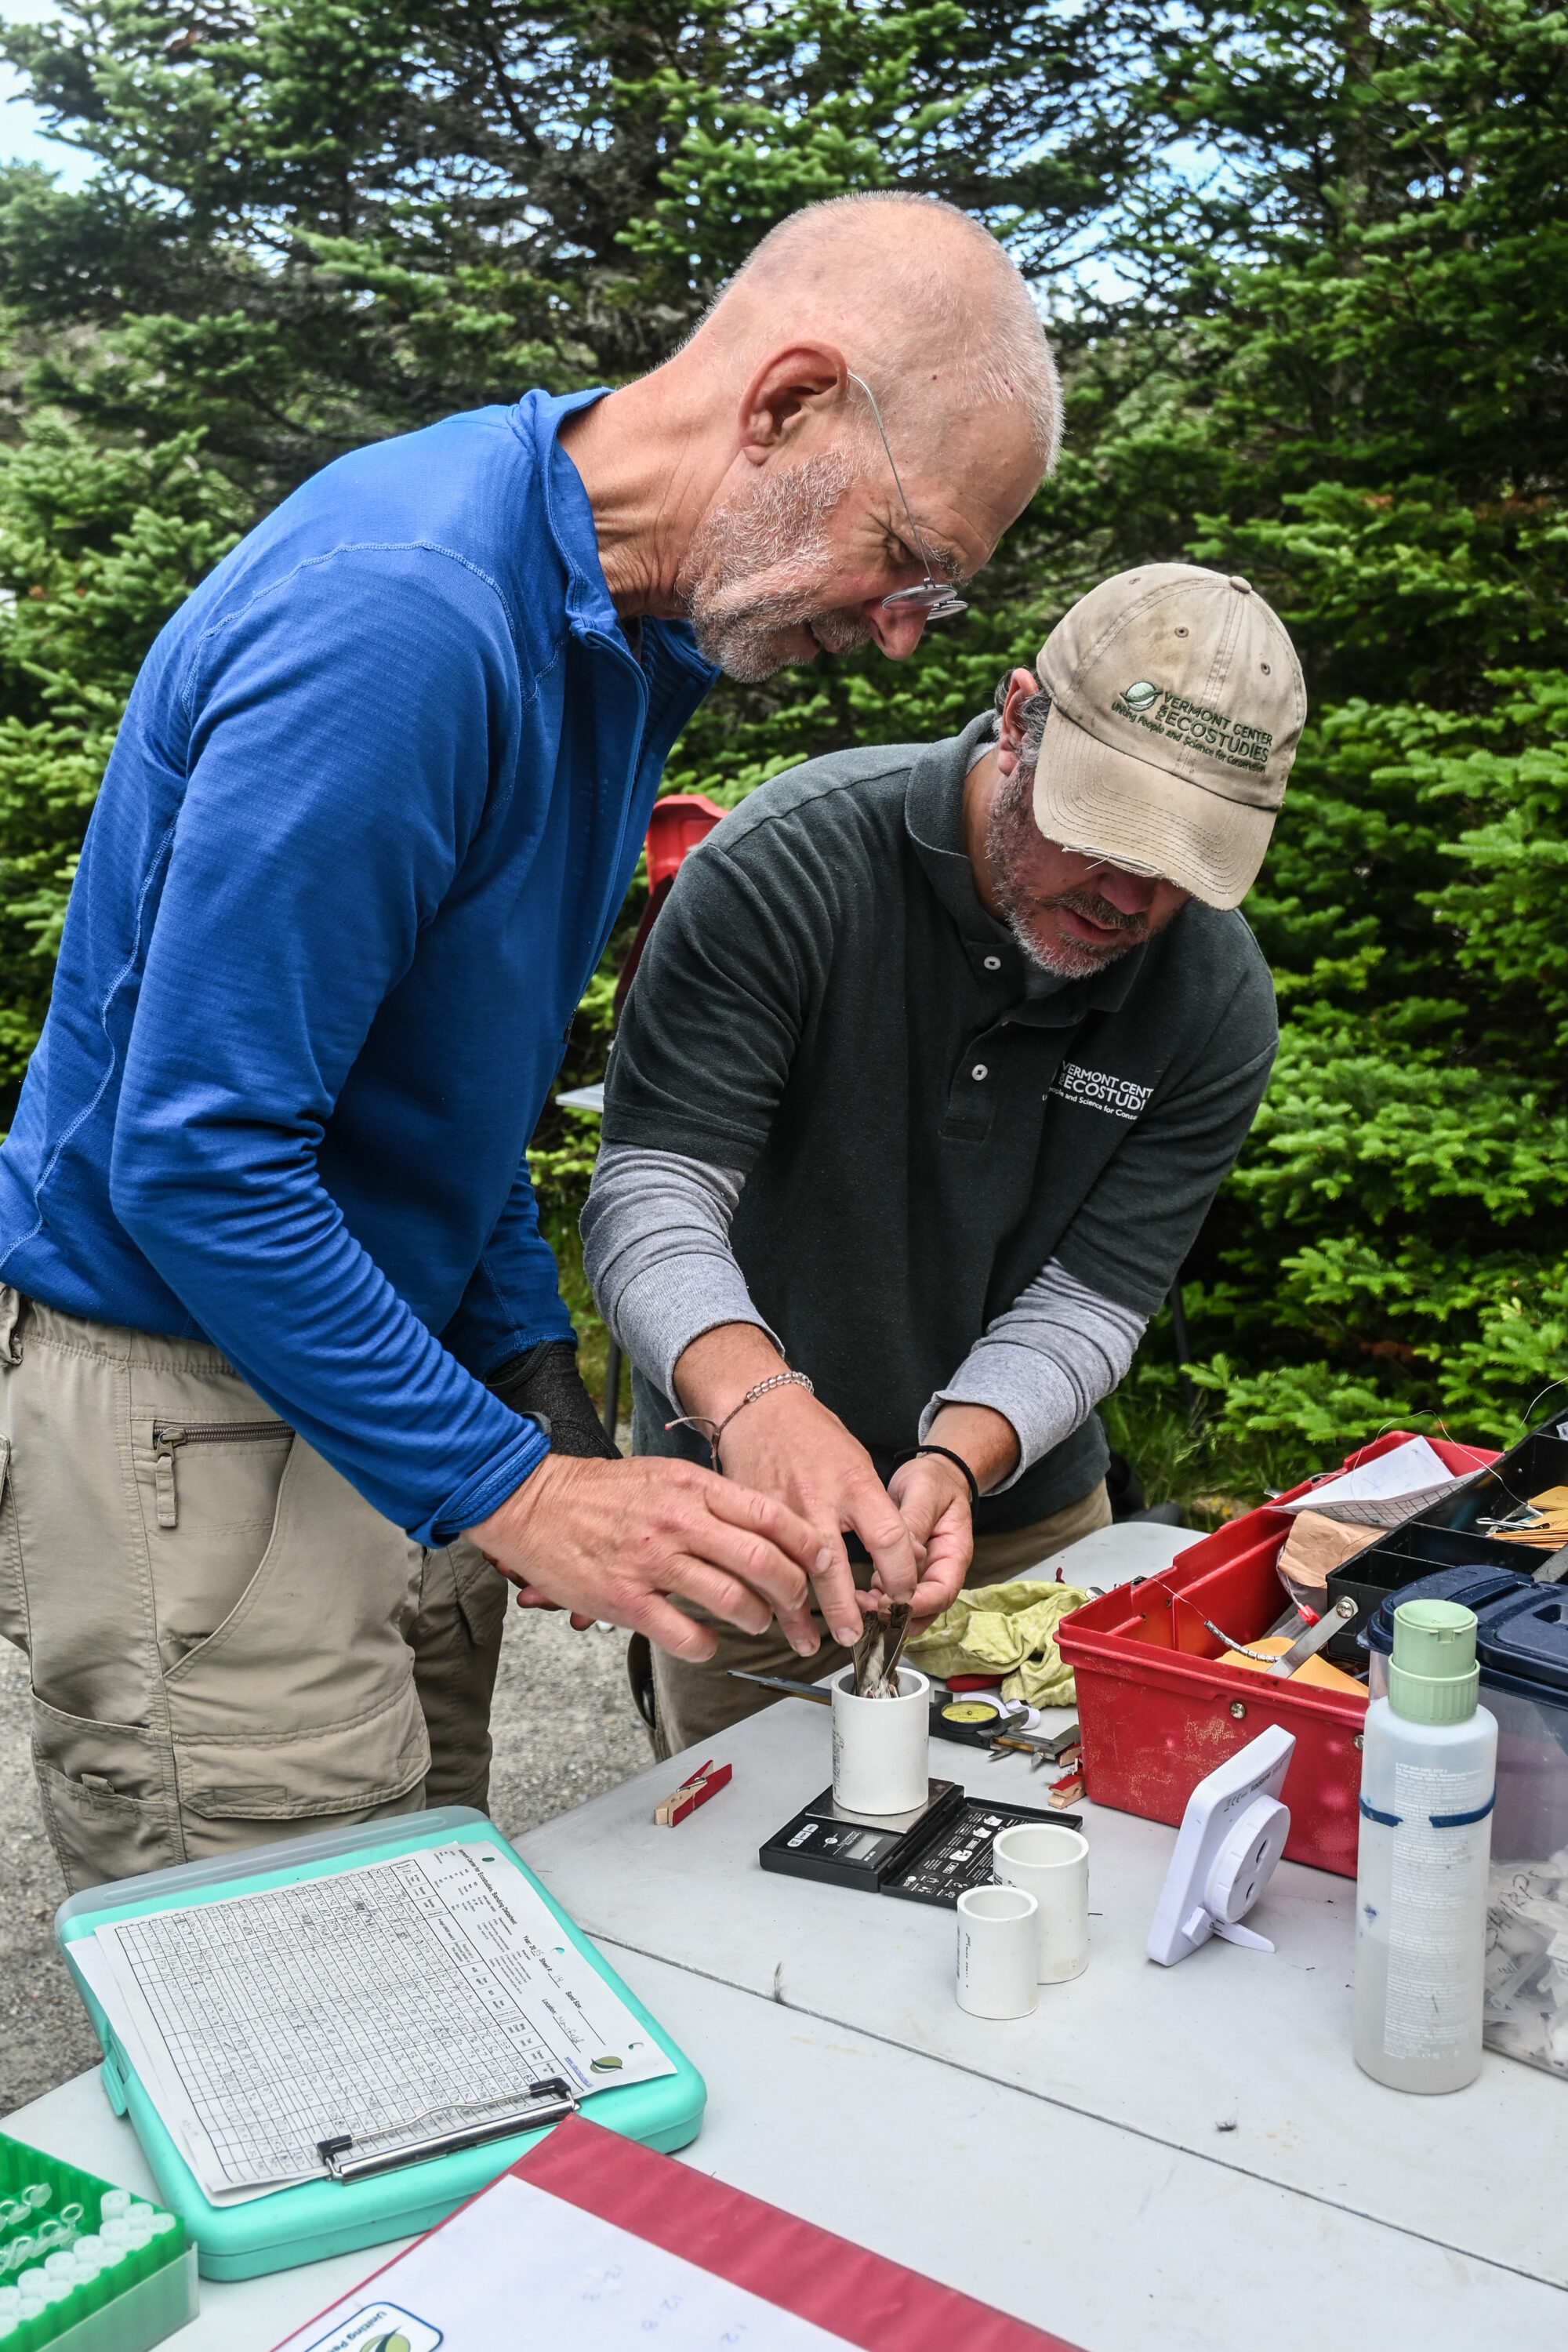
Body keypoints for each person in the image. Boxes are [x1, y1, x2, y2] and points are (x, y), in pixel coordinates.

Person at [0, 192, 1058, 1889]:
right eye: (909, 558)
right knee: (299, 2009)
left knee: (424, 1919)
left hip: (372, 1369)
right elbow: (196, 1157)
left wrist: (540, 1398)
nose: (904, 631)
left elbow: (449, 1096)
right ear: (783, 405)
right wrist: (523, 1490)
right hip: (191, 1393)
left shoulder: (631, 649)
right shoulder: (405, 623)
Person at [583, 563, 1306, 1757]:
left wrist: (954, 1458)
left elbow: (1091, 1299)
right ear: (1021, 719)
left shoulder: (1216, 999)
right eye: (1104, 827)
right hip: (748, 1510)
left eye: (1180, 863)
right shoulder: (790, 868)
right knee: (739, 1882)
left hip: (1027, 1519)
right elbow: (653, 1200)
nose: (1128, 893)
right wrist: (762, 1402)